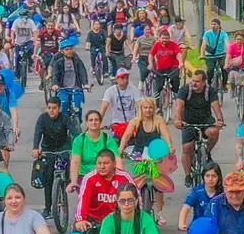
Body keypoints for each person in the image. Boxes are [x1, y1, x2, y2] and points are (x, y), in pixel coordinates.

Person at [75, 149, 134, 234]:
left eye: (106, 163)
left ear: (114, 163)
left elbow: (136, 197)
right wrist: (81, 219)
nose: (102, 166)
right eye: (99, 163)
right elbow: (83, 200)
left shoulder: (124, 177)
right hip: (94, 218)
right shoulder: (90, 178)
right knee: (77, 231)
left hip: (118, 218)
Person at [119, 97, 174, 225]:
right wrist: (120, 149)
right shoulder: (136, 122)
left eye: (150, 108)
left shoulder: (158, 121)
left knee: (159, 184)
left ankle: (159, 213)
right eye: (145, 108)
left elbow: (166, 134)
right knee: (135, 182)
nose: (148, 110)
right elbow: (126, 135)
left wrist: (170, 146)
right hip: (139, 154)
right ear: (141, 109)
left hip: (155, 154)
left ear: (153, 109)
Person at [176, 68, 224, 188]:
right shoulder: (185, 90)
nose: (194, 84)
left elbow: (216, 107)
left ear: (204, 82)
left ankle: (207, 152)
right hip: (188, 121)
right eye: (193, 81)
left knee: (214, 132)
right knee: (187, 147)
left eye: (197, 81)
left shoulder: (210, 91)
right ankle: (188, 175)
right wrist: (178, 120)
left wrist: (220, 120)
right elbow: (179, 107)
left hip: (205, 120)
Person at [32, 96, 75, 219]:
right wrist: (35, 147)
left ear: (59, 108)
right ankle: (47, 208)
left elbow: (74, 132)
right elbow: (37, 133)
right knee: (48, 179)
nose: (51, 110)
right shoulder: (42, 118)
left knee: (66, 163)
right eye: (49, 108)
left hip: (63, 149)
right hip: (48, 150)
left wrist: (76, 149)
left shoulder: (65, 119)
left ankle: (66, 180)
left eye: (54, 108)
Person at [178, 162, 222, 234]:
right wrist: (181, 222)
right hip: (199, 229)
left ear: (218, 178)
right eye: (207, 176)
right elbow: (186, 207)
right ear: (203, 177)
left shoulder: (223, 193)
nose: (210, 179)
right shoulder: (197, 191)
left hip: (219, 229)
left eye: (214, 176)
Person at [69, 110, 121, 188]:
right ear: (86, 123)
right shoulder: (79, 140)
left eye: (96, 120)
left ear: (100, 122)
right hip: (84, 176)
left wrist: (121, 179)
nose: (94, 122)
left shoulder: (107, 139)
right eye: (91, 120)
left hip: (104, 175)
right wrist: (74, 181)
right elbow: (75, 162)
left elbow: (117, 159)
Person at [50, 41, 90, 121]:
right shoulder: (58, 63)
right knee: (64, 103)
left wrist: (85, 84)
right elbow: (55, 75)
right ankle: (65, 122)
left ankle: (78, 121)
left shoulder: (78, 61)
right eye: (67, 49)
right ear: (62, 51)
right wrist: (55, 84)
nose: (69, 51)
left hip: (76, 88)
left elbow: (83, 73)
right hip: (63, 89)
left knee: (77, 105)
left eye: (71, 49)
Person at [100, 68, 142, 139]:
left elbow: (140, 106)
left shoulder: (134, 90)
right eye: (122, 78)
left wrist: (140, 120)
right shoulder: (110, 91)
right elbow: (104, 107)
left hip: (132, 123)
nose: (125, 80)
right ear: (116, 79)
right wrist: (99, 122)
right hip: (117, 124)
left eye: (127, 78)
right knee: (114, 143)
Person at [149, 27, 183, 98]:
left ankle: (176, 94)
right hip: (161, 69)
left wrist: (180, 63)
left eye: (167, 38)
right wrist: (151, 64)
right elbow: (151, 55)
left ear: (169, 38)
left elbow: (178, 54)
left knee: (175, 80)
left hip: (172, 68)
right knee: (159, 87)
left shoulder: (173, 44)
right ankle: (158, 102)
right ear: (160, 38)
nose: (165, 40)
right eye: (163, 38)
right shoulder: (157, 45)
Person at [224, 31, 244, 108]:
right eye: (237, 39)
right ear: (235, 39)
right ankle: (232, 88)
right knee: (232, 75)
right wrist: (226, 64)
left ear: (243, 39)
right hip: (235, 68)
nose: (239, 41)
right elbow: (228, 56)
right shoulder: (232, 47)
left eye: (241, 39)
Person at [200, 18, 229, 92]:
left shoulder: (223, 34)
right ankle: (209, 83)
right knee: (210, 69)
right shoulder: (207, 33)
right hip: (210, 55)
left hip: (221, 55)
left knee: (224, 67)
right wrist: (202, 54)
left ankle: (224, 84)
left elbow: (228, 45)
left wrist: (229, 55)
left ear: (219, 26)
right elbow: (203, 45)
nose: (213, 26)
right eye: (212, 24)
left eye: (215, 24)